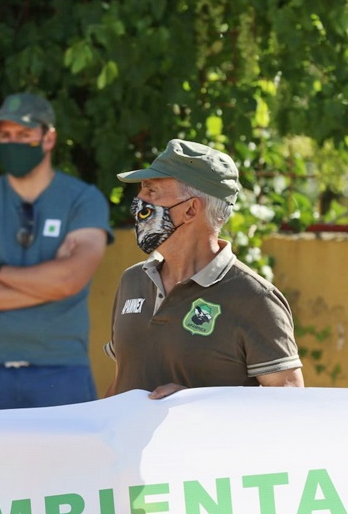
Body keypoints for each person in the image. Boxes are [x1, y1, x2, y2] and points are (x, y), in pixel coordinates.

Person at [0, 92, 114, 412]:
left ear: (49, 139)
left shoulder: (84, 200)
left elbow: (69, 279)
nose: (14, 143)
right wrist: (51, 286)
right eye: (6, 136)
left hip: (62, 371)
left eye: (24, 135)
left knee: (66, 464)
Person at [104, 138, 304, 400]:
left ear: (190, 209)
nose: (139, 201)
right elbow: (122, 381)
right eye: (142, 190)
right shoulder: (132, 280)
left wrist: (198, 406)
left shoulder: (255, 298)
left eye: (151, 192)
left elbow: (289, 401)